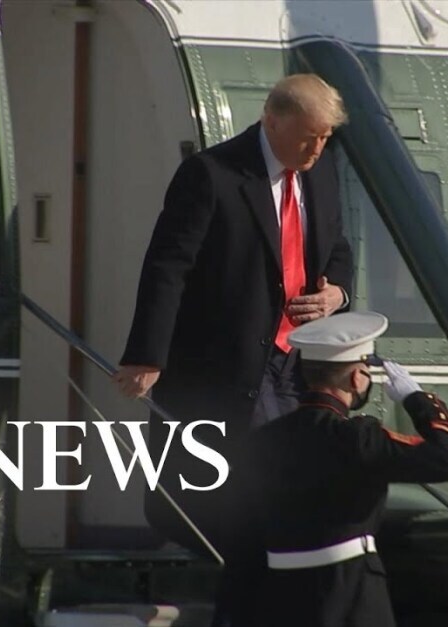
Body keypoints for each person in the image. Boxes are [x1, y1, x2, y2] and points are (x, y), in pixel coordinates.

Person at [112, 74, 354, 554]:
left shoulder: (321, 171)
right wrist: (147, 355)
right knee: (249, 482)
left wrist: (339, 294)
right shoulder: (211, 174)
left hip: (300, 360)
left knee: (297, 477)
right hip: (237, 359)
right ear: (272, 120)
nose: (316, 148)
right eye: (308, 136)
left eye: (325, 138)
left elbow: (338, 248)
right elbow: (168, 266)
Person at [242, 311, 448, 626]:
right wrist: (418, 400)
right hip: (352, 592)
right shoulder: (358, 437)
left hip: (281, 594)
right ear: (356, 378)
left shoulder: (263, 440)